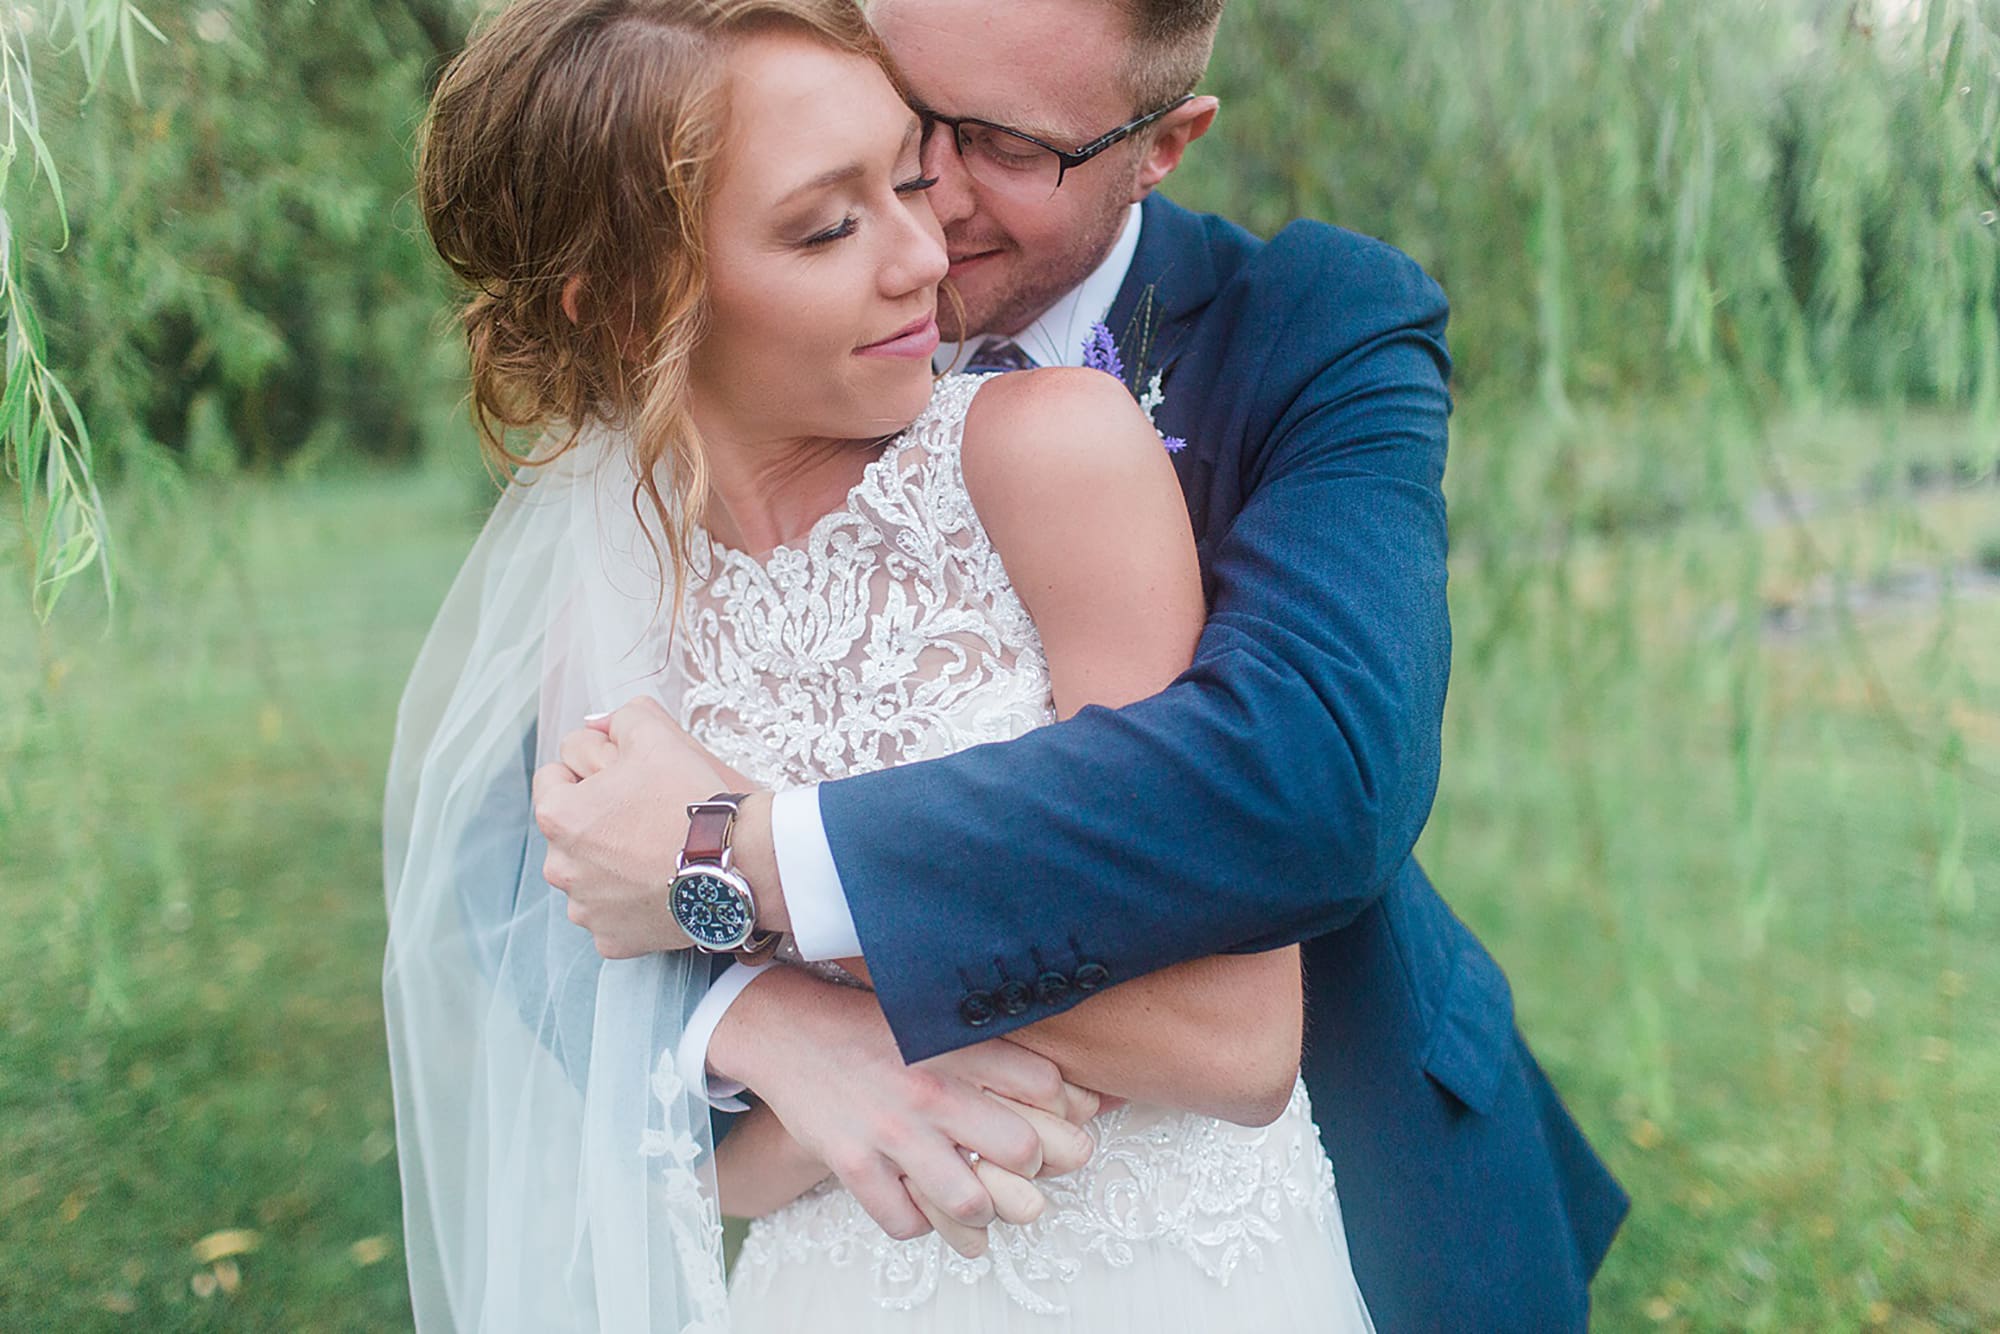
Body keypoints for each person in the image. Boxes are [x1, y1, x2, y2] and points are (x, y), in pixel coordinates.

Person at [537, 0, 1632, 1330]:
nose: (931, 201)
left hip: (1325, 1168)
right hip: (861, 1227)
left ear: (1164, 143)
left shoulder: (1315, 324)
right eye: (904, 119)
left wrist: (740, 866)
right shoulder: (677, 435)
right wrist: (756, 1027)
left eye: (1003, 145)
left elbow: (1314, 777)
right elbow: (537, 859)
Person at [390, 0, 1375, 1329]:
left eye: (908, 180)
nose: (926, 256)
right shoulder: (607, 589)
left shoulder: (1050, 455)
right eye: (827, 227)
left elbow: (1232, 1042)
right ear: (624, 306)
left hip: (1171, 1278)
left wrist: (726, 882)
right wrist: (790, 1042)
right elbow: (719, 1172)